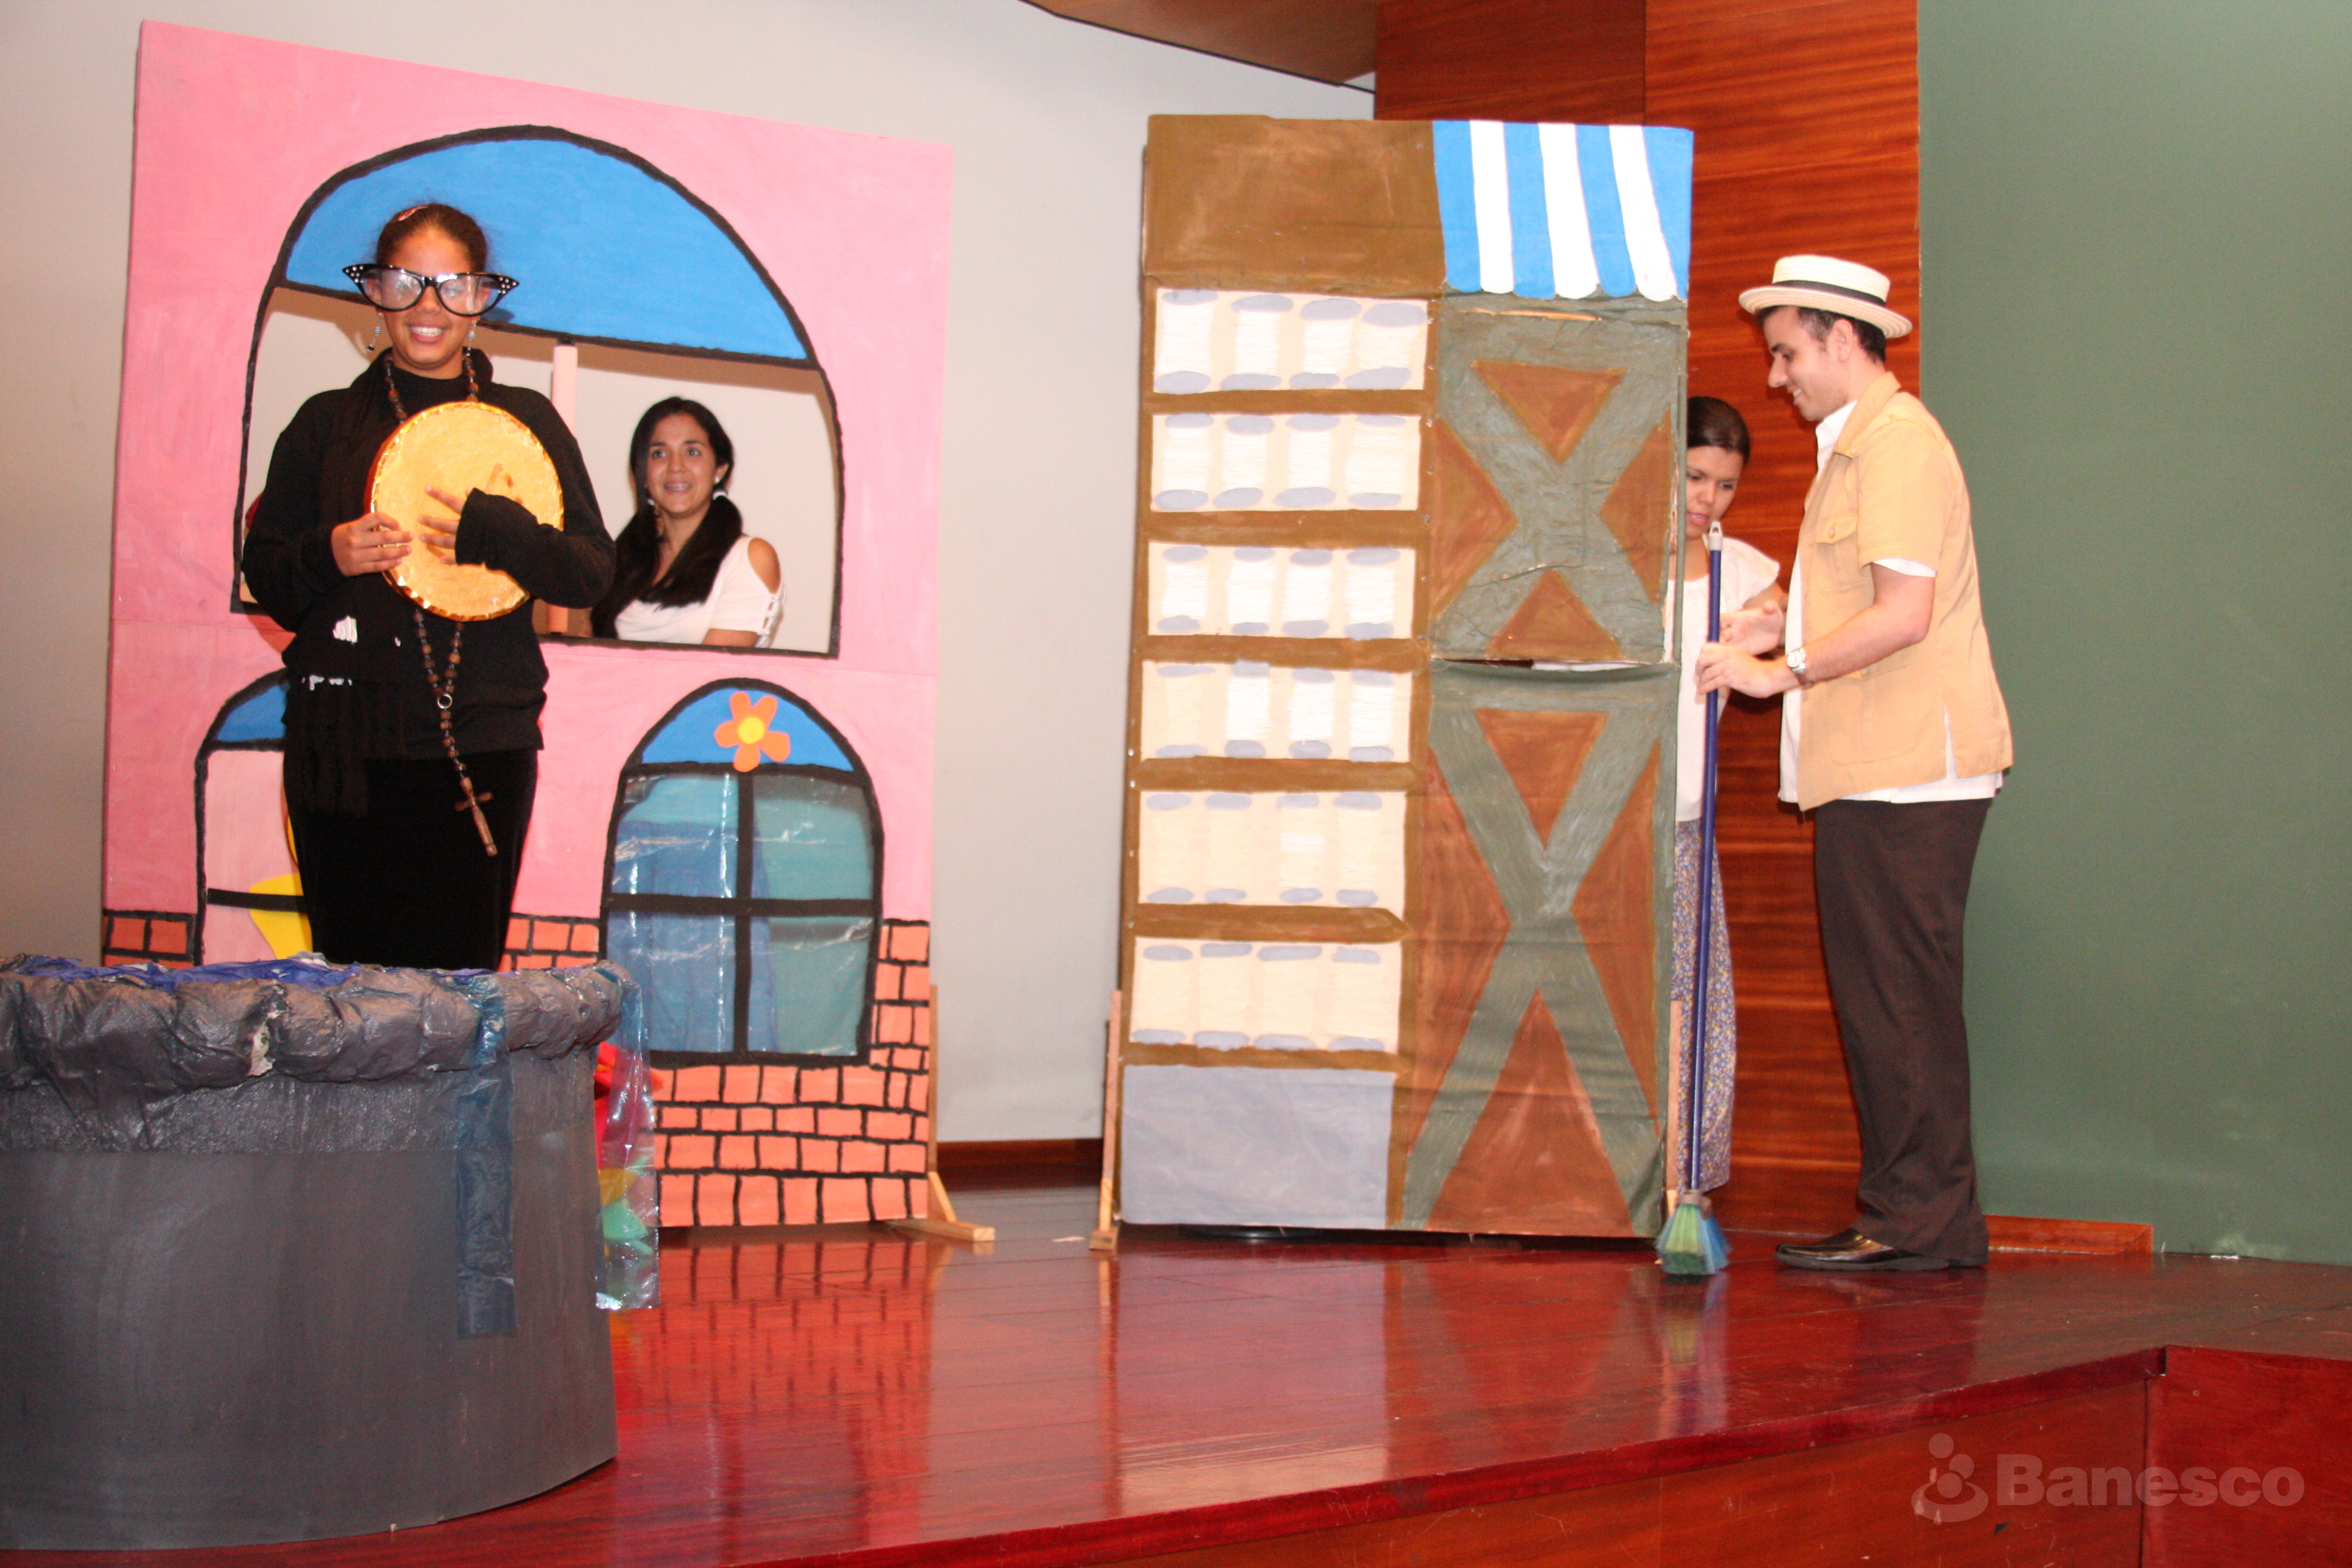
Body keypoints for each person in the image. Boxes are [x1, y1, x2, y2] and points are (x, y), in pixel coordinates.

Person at [1695, 255, 2012, 1273]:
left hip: (1907, 772)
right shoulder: (1856, 449)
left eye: (1786, 352)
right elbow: (1857, 597)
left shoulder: (1895, 447)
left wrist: (1774, 670)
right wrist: (1775, 619)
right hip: (1873, 769)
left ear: (1841, 338)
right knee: (1885, 1001)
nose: (1775, 375)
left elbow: (1902, 614)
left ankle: (1918, 1223)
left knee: (1899, 1001)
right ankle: (1916, 1217)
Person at [241, 202, 610, 972]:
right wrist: (328, 554)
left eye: (453, 285)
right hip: (342, 748)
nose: (428, 306)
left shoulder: (525, 421)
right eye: (407, 282)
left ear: (482, 299)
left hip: (481, 743)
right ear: (376, 292)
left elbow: (588, 573)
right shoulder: (324, 425)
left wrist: (495, 528)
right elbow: (268, 576)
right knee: (352, 996)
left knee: (458, 994)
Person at [1670, 396, 1785, 1195]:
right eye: (1695, 477)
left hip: (1687, 822)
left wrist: (1772, 622)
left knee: (1694, 1008)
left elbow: (1798, 627)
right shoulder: (1611, 561)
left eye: (1727, 485)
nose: (1709, 498)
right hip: (1604, 822)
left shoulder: (1741, 570)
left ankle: (1686, 1181)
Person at [590, 399, 781, 647]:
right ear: (643, 472)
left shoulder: (750, 558)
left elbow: (713, 667)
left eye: (692, 452)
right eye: (659, 454)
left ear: (720, 468)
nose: (675, 467)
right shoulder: (620, 559)